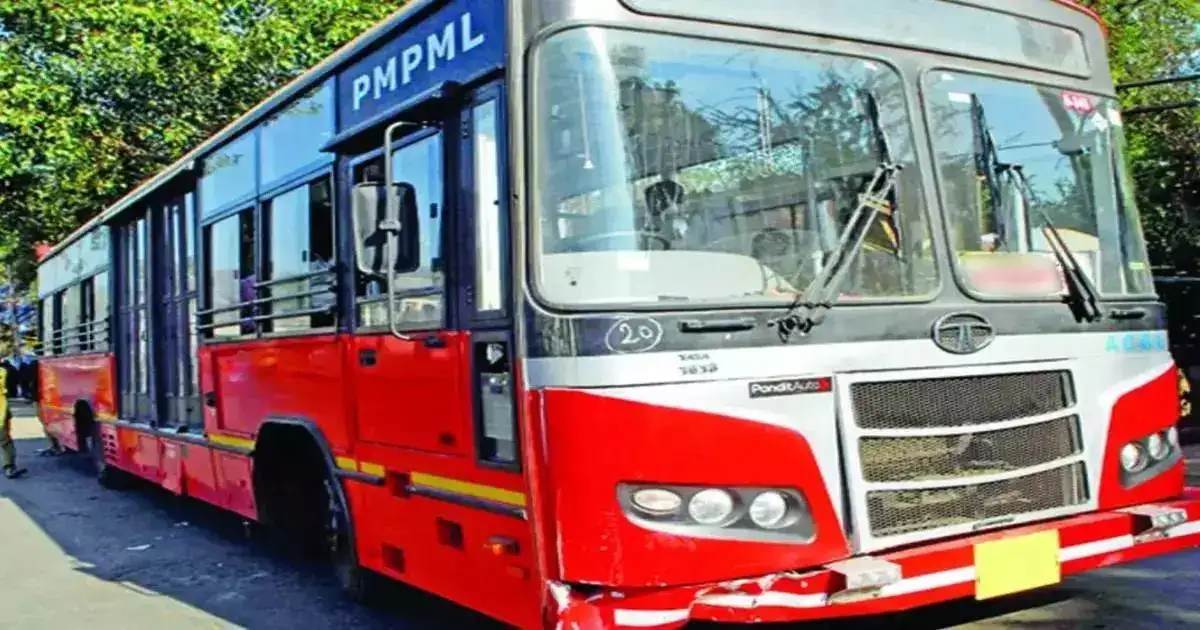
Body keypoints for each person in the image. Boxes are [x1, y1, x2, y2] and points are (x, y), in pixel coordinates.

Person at [0, 368, 28, 479]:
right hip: (1, 411)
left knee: (4, 441)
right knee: (5, 441)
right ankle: (9, 467)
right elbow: (13, 390)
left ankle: (9, 467)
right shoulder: (3, 371)